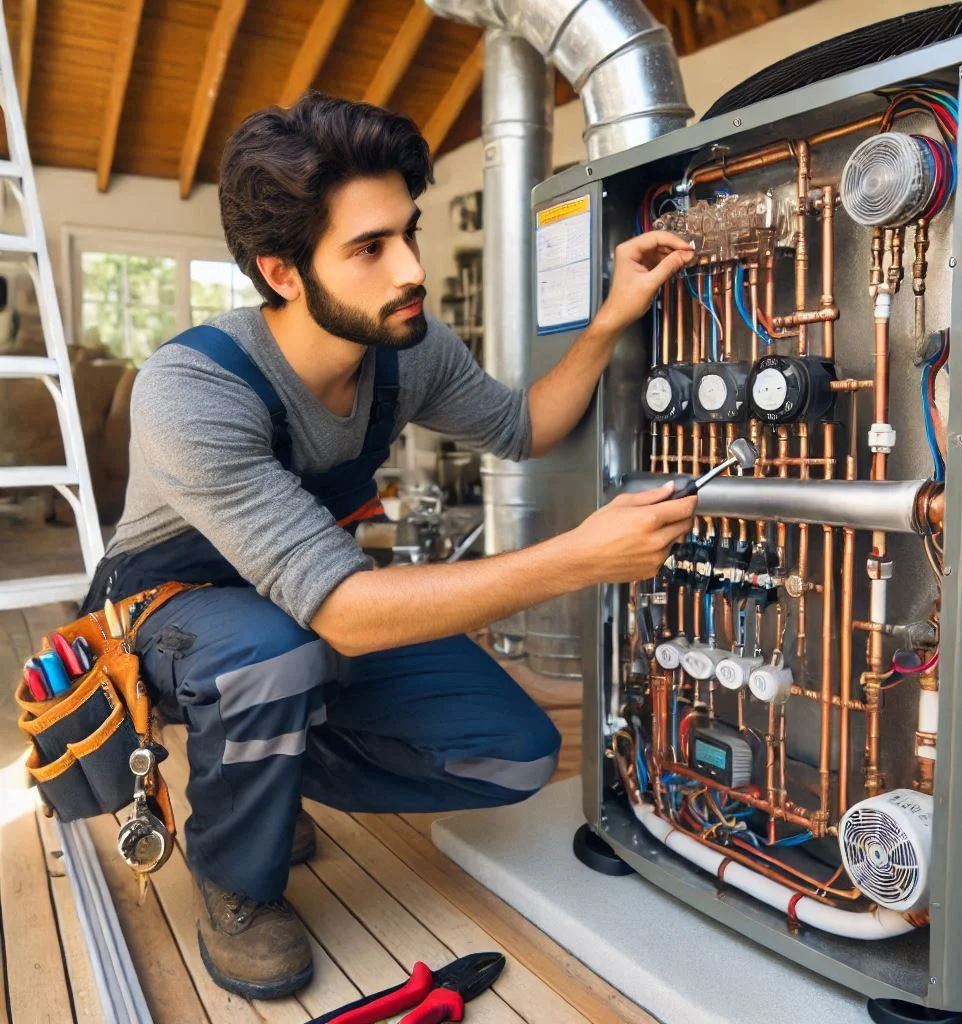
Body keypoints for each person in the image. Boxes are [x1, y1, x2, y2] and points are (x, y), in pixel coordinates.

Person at [80, 91, 697, 999]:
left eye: (407, 231)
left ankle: (265, 777)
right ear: (283, 272)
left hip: (307, 615)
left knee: (517, 752)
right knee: (268, 652)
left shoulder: (408, 352)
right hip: (173, 618)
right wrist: (581, 555)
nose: (411, 265)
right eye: (370, 248)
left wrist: (609, 319)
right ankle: (236, 877)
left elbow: (525, 426)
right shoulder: (192, 390)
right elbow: (349, 617)